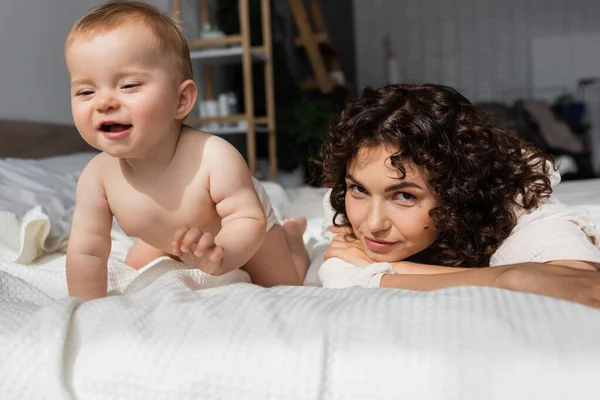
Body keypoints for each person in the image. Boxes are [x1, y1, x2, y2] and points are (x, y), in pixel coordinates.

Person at [64, 1, 308, 301]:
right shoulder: (96, 177)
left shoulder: (214, 155)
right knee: (133, 268)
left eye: (128, 85)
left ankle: (292, 241)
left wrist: (221, 255)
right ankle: (185, 250)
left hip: (241, 231)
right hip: (170, 238)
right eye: (86, 91)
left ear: (181, 100)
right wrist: (87, 308)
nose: (104, 103)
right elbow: (87, 250)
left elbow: (248, 219)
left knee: (286, 285)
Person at [316, 83, 600, 308]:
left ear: (457, 193)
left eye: (404, 196)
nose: (374, 224)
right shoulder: (348, 204)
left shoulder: (517, 206)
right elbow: (336, 274)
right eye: (359, 189)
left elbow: (581, 284)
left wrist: (388, 268)